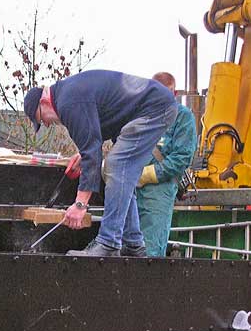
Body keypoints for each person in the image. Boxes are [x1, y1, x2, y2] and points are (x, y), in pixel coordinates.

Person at [23, 70, 177, 257]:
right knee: (122, 174)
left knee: (117, 166)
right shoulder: (69, 94)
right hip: (151, 108)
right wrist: (84, 153)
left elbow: (93, 154)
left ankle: (109, 243)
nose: (46, 124)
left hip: (154, 109)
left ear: (44, 102)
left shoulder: (68, 102)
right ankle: (133, 243)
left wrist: (80, 204)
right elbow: (96, 135)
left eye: (41, 118)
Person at [135, 72, 197, 257]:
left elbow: (182, 157)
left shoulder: (183, 116)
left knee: (150, 251)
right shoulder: (141, 115)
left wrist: (148, 174)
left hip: (158, 191)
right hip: (132, 188)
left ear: (174, 94)